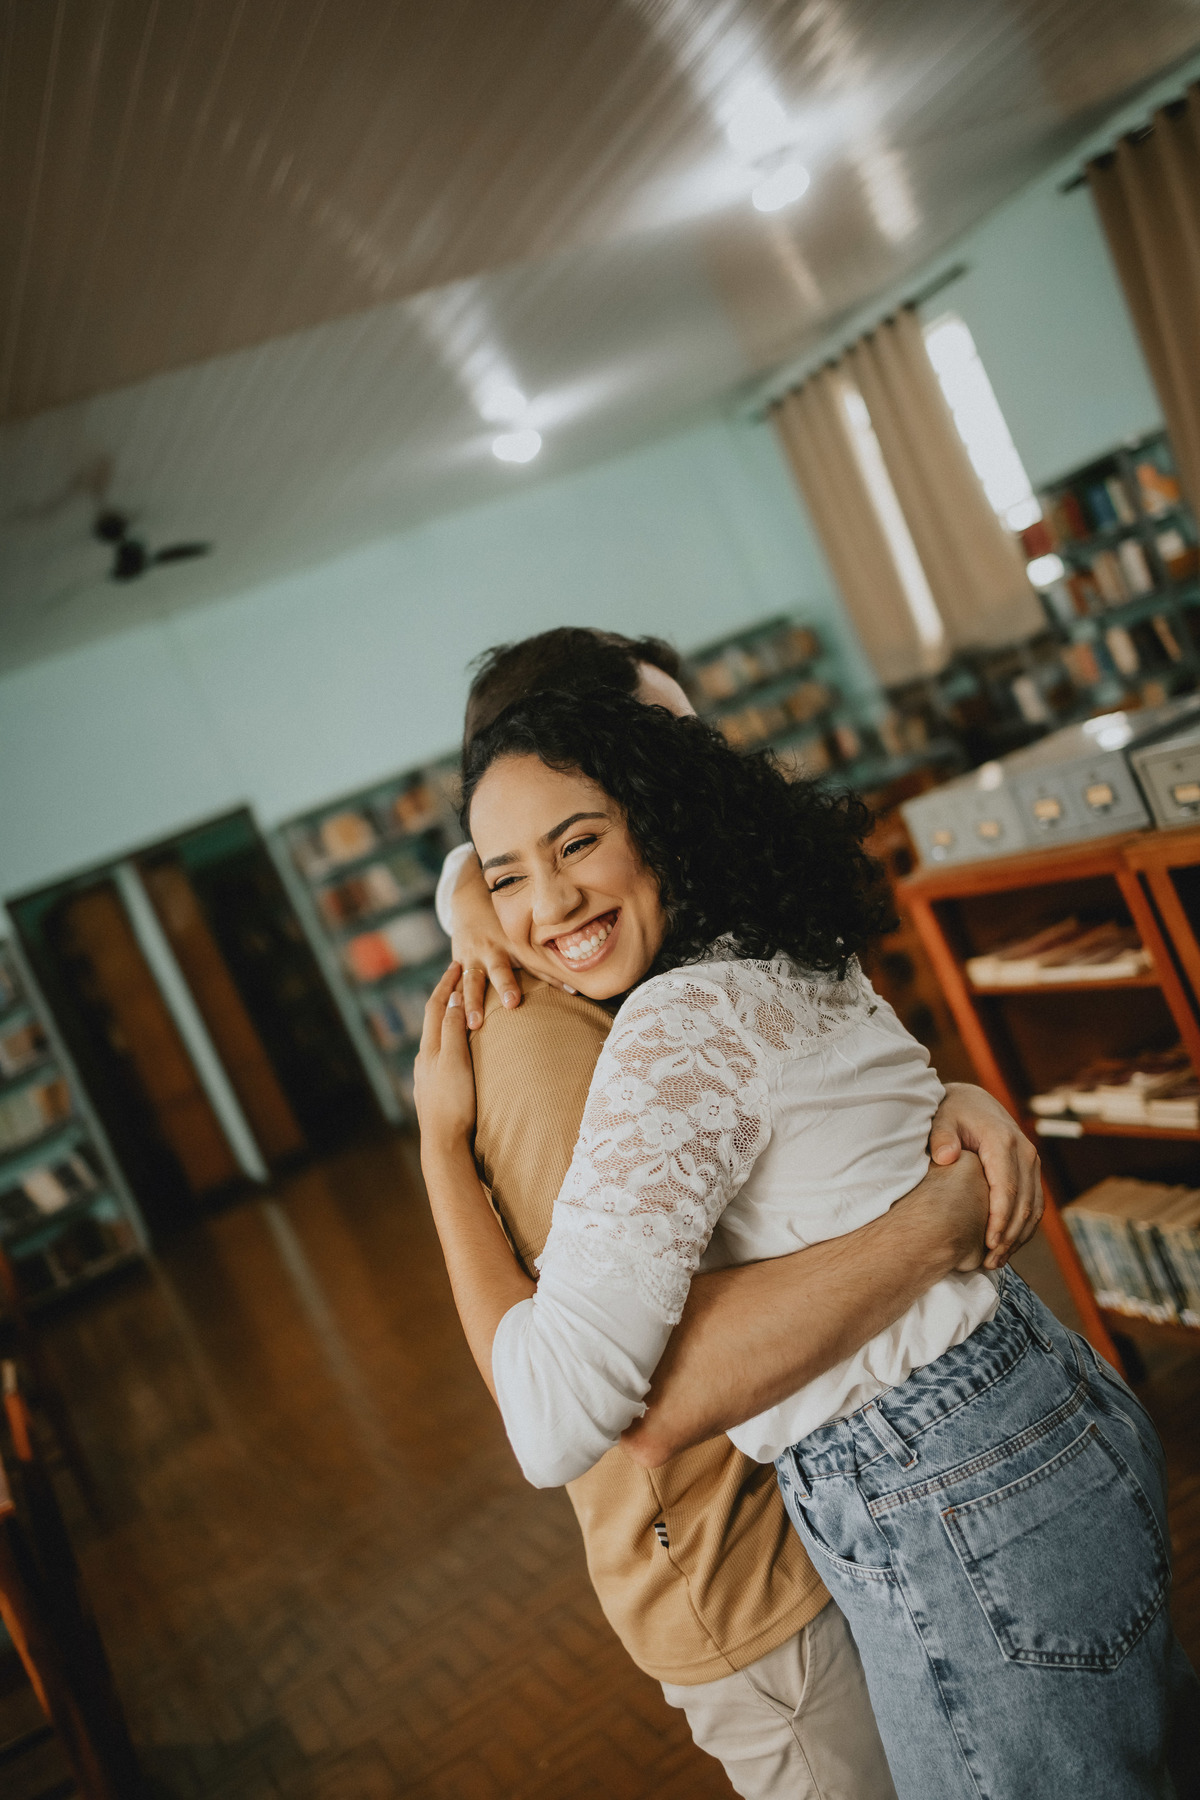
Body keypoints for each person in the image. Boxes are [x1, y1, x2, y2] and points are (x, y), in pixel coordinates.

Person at [415, 689, 1197, 1798]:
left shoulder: (669, 1028)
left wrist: (439, 1147)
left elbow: (551, 1427)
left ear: (661, 814)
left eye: (579, 843)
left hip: (942, 1491)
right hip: (1043, 1394)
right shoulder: (783, 946)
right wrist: (472, 892)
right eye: (508, 876)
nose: (546, 901)